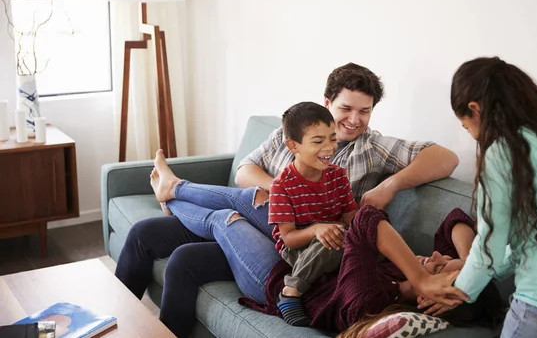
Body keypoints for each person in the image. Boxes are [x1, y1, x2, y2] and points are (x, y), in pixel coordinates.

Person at [115, 63, 460, 337]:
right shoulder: (292, 132)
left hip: (300, 244)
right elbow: (245, 170)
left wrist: (391, 186)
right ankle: (111, 324)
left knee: (186, 258)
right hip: (269, 216)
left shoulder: (372, 147)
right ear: (327, 103)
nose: (355, 120)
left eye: (365, 111)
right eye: (346, 108)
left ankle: (174, 190)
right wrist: (281, 192)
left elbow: (445, 158)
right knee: (145, 234)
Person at [420, 57, 537, 337]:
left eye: (467, 127)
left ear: (475, 109)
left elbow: (488, 245)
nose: (472, 137)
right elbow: (532, 238)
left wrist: (457, 291)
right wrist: (468, 269)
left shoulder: (504, 152)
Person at [240, 205, 503, 334]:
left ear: (428, 297)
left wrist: (421, 278)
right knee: (250, 200)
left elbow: (365, 218)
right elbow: (454, 219)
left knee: (225, 219)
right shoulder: (405, 279)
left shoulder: (369, 300)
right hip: (303, 256)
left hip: (272, 280)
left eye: (441, 265)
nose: (435, 254)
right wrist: (470, 263)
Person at [268, 102, 358, 326]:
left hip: (333, 237)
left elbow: (351, 220)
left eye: (333, 139)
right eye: (318, 141)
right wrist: (317, 229)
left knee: (349, 237)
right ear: (293, 146)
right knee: (330, 243)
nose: (329, 147)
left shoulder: (338, 176)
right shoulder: (282, 186)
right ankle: (290, 292)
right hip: (298, 246)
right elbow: (288, 237)